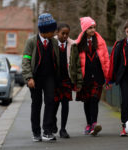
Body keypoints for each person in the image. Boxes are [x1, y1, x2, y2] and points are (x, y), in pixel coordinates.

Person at [22, 13, 60, 142]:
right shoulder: (31, 41)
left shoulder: (54, 42)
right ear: (44, 31)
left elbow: (58, 60)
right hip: (35, 78)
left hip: (50, 77)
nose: (54, 32)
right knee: (36, 104)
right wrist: (28, 78)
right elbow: (26, 60)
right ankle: (36, 133)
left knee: (50, 102)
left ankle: (47, 132)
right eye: (52, 30)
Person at [69, 17, 110, 136]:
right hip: (84, 77)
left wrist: (108, 77)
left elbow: (106, 59)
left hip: (98, 76)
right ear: (85, 29)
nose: (93, 30)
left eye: (94, 27)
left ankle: (94, 124)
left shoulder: (100, 42)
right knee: (86, 101)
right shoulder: (78, 44)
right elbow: (74, 63)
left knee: (94, 100)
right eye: (90, 28)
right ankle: (89, 124)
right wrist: (75, 80)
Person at [108, 18, 128, 136]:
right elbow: (114, 62)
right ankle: (124, 127)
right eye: (127, 32)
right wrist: (110, 79)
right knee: (126, 101)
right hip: (124, 77)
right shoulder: (120, 44)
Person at [53, 23, 75, 138]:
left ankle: (63, 129)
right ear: (57, 32)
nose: (65, 36)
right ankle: (53, 121)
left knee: (65, 104)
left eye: (67, 34)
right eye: (63, 33)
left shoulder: (72, 45)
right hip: (55, 80)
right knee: (54, 104)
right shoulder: (52, 44)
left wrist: (76, 81)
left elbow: (75, 64)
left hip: (67, 79)